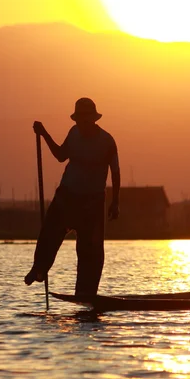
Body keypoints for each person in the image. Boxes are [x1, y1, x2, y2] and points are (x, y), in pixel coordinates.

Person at [24, 97, 120, 296]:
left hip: (93, 202)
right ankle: (39, 269)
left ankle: (85, 292)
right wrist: (44, 134)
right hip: (67, 195)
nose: (81, 125)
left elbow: (116, 172)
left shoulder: (107, 142)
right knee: (49, 232)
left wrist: (115, 202)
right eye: (78, 121)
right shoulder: (74, 133)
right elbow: (61, 155)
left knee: (90, 251)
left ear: (93, 119)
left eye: (85, 121)